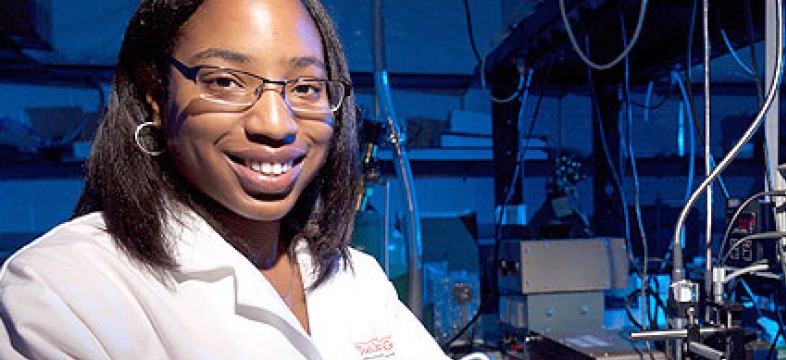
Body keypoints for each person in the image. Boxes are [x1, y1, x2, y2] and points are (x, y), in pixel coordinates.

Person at [0, 0, 452, 359]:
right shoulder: (62, 289)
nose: (276, 124)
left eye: (305, 87)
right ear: (156, 96)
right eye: (225, 82)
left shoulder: (356, 278)